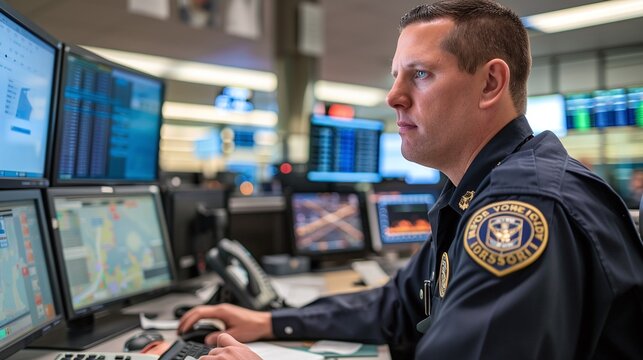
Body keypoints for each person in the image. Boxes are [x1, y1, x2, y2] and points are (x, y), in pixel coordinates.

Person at [178, 1, 643, 359]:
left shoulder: (521, 208)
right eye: (395, 75)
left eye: (420, 75)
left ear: (490, 84)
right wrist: (269, 321)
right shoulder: (473, 192)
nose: (393, 96)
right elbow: (398, 306)